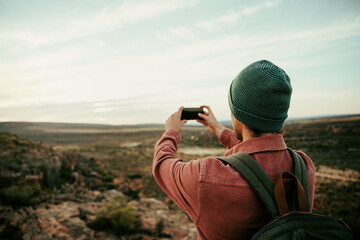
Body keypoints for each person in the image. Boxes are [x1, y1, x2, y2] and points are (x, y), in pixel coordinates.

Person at [153, 60, 316, 239]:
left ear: (238, 115)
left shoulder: (205, 177)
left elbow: (163, 164)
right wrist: (218, 129)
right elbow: (257, 153)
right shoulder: (303, 167)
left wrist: (171, 132)